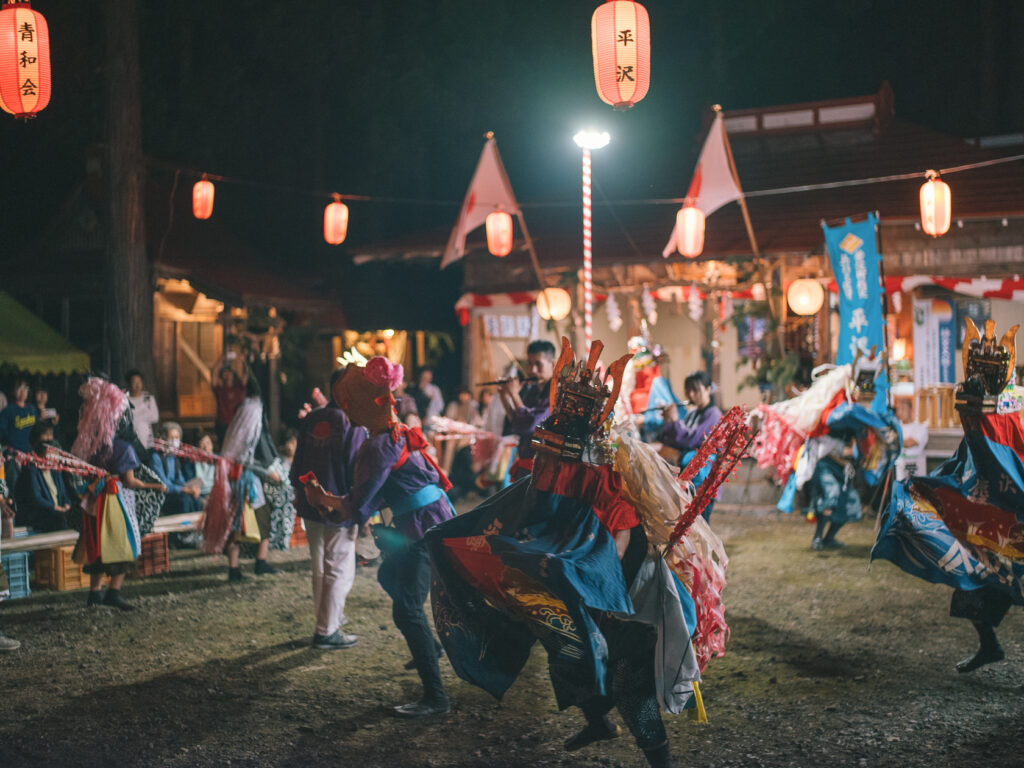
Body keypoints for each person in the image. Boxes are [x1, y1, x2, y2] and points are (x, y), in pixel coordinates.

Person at [426, 338, 733, 768]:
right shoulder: (547, 474)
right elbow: (523, 515)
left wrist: (592, 589)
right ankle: (597, 719)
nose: (548, 462)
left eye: (556, 456)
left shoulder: (603, 480)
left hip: (629, 599)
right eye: (545, 453)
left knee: (629, 684)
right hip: (585, 591)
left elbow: (620, 540)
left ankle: (659, 761)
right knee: (565, 646)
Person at [305, 356, 454, 717]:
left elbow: (357, 505)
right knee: (390, 577)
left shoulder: (377, 446)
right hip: (429, 521)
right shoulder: (395, 431)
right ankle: (429, 651)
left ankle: (436, 697)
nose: (347, 411)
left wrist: (322, 499)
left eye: (350, 404)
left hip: (422, 529)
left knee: (407, 609)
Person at [72, 377, 167, 611]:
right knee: (121, 545)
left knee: (97, 544)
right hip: (115, 502)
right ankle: (113, 592)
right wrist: (156, 486)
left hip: (94, 502)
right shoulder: (124, 448)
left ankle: (94, 594)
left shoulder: (93, 445)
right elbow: (130, 481)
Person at [290, 368, 367, 650]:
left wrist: (300, 493)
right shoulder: (351, 422)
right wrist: (360, 509)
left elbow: (298, 462)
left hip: (311, 503)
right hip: (339, 506)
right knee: (339, 567)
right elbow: (355, 469)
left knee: (320, 565)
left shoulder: (313, 418)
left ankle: (327, 618)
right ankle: (327, 629)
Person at [216, 376, 279, 580]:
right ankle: (256, 563)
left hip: (236, 475)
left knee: (236, 522)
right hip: (246, 478)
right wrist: (268, 470)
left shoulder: (244, 410)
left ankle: (236, 568)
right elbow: (254, 448)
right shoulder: (254, 411)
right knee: (255, 519)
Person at [658, 371, 724, 520]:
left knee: (700, 526)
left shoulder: (713, 414)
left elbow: (690, 440)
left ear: (708, 389)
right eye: (688, 391)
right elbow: (671, 439)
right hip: (689, 479)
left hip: (703, 481)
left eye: (696, 390)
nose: (691, 395)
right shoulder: (692, 413)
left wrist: (674, 421)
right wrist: (669, 422)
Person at [497, 339, 556, 481]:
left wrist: (515, 395)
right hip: (527, 461)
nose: (532, 370)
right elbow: (518, 423)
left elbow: (531, 424)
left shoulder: (556, 392)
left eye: (538, 364)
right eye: (529, 364)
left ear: (553, 364)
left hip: (545, 467)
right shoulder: (534, 390)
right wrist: (505, 397)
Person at [14, 423, 73, 531]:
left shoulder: (54, 468)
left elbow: (63, 492)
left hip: (56, 515)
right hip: (41, 518)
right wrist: (55, 508)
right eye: (46, 436)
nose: (49, 438)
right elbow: (36, 497)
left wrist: (67, 504)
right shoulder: (31, 467)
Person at [149, 422, 203, 517]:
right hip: (163, 496)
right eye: (171, 438)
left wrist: (191, 488)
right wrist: (184, 490)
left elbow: (180, 479)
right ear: (163, 439)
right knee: (185, 501)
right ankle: (184, 530)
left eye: (177, 438)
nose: (174, 441)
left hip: (175, 493)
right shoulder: (156, 457)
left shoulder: (173, 457)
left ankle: (195, 530)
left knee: (195, 499)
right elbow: (164, 484)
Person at [125, 369, 160, 451]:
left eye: (139, 382)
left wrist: (135, 415)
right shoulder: (124, 400)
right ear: (129, 384)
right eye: (134, 382)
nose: (137, 385)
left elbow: (155, 417)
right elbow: (127, 420)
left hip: (147, 441)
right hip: (131, 442)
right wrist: (144, 413)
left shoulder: (148, 398)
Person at [0, 379, 38, 453]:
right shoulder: (8, 410)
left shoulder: (32, 409)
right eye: (19, 388)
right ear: (14, 391)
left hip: (29, 451)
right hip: (13, 452)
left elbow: (36, 431)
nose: (22, 392)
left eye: (25, 388)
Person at [212, 367, 247, 446]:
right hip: (222, 424)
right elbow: (214, 373)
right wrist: (222, 357)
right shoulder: (220, 389)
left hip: (235, 424)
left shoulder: (238, 388)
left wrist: (243, 360)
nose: (228, 375)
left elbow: (246, 375)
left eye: (229, 372)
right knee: (223, 447)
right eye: (225, 373)